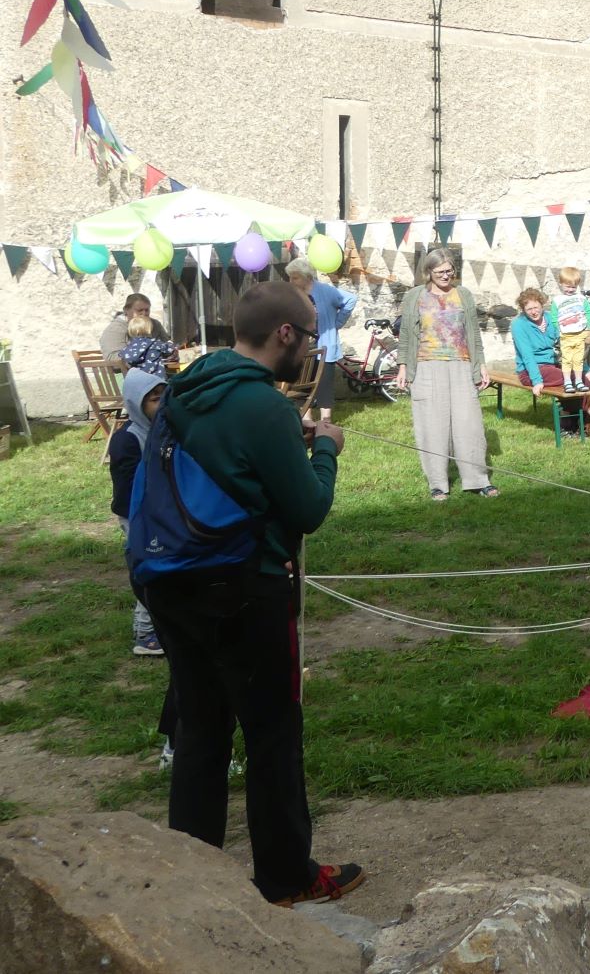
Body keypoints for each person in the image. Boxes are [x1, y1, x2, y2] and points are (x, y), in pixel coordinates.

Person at [135, 281, 364, 905]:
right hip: (242, 584)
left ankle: (196, 878)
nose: (312, 349)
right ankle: (287, 876)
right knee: (271, 733)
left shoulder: (184, 387)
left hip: (168, 578)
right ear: (284, 334)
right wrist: (326, 450)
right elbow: (308, 509)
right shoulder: (264, 406)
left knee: (201, 730)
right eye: (309, 336)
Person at [394, 250, 495, 500]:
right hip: (426, 366)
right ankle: (438, 483)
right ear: (428, 272)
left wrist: (481, 365)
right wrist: (403, 366)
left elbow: (473, 333)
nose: (445, 276)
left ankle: (477, 479)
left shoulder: (464, 295)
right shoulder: (414, 296)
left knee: (469, 424)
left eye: (449, 271)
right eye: (440, 272)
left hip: (462, 364)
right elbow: (405, 334)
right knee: (432, 426)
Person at [109, 369, 169, 657]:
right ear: (136, 403)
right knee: (148, 568)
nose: (162, 405)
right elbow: (127, 488)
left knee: (163, 567)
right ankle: (145, 634)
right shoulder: (128, 439)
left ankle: (162, 624)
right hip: (138, 515)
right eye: (154, 400)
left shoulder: (163, 431)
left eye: (164, 397)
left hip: (162, 512)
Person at [285, 258, 358, 424]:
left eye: (295, 277)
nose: (291, 281)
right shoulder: (294, 294)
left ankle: (326, 421)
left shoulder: (325, 291)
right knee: (302, 383)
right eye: (290, 277)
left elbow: (351, 299)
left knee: (324, 384)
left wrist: (337, 323)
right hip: (301, 347)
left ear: (306, 276)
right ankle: (307, 420)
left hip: (324, 344)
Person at [513, 287, 565, 398]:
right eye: (529, 309)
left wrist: (585, 368)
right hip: (530, 370)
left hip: (553, 364)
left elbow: (566, 344)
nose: (533, 312)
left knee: (581, 376)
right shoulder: (518, 324)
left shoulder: (551, 318)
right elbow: (527, 355)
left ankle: (578, 409)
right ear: (523, 310)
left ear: (542, 305)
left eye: (536, 307)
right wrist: (537, 381)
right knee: (569, 377)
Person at [551, 266, 590, 394]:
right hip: (565, 335)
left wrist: (587, 326)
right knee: (567, 359)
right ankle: (567, 382)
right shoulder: (557, 300)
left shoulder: (581, 298)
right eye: (567, 286)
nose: (570, 290)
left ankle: (579, 381)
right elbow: (554, 318)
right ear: (561, 284)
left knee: (578, 359)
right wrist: (559, 330)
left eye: (573, 287)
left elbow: (588, 312)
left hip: (580, 334)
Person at [100, 293, 169, 372]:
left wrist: (172, 353)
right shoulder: (115, 329)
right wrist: (145, 357)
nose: (144, 313)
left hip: (157, 370)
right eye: (139, 310)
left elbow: (166, 344)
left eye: (147, 310)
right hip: (127, 374)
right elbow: (112, 359)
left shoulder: (155, 324)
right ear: (126, 310)